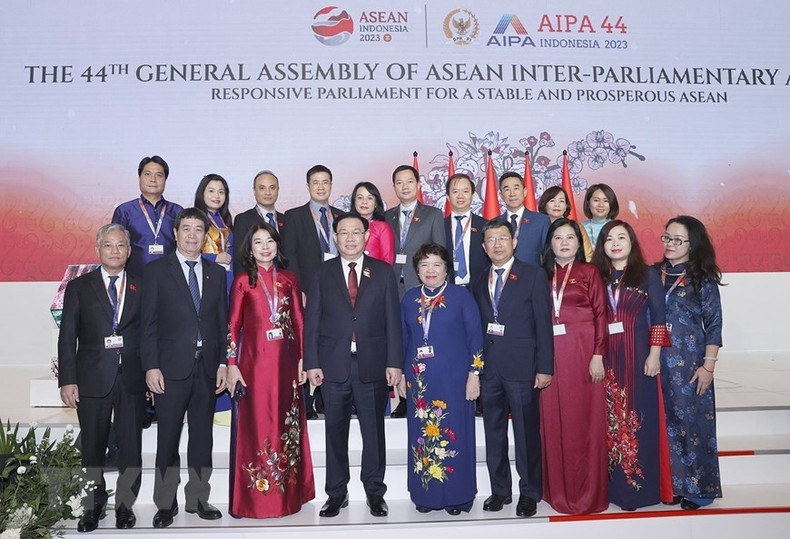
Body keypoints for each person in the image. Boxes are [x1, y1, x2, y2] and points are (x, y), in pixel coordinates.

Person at [304, 214, 403, 518]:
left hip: (372, 364)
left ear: (365, 236)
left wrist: (394, 363)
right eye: (343, 233)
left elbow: (392, 321)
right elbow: (313, 321)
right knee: (335, 431)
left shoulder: (383, 272)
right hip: (333, 365)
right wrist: (311, 363)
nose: (349, 238)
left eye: (356, 233)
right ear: (335, 237)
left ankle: (374, 491)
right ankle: (336, 493)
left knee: (373, 432)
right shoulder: (322, 272)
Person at [141, 208, 229, 528]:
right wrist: (151, 366)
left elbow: (220, 324)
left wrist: (222, 362)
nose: (192, 235)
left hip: (206, 367)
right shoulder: (156, 272)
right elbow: (147, 325)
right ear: (175, 233)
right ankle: (165, 503)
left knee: (202, 438)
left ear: (205, 236)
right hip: (168, 370)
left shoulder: (215, 274)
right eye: (186, 228)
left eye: (198, 230)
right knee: (167, 439)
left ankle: (198, 498)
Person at [58, 224, 145, 531]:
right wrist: (67, 380)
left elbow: (149, 334)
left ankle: (125, 507)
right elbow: (67, 338)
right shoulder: (79, 287)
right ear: (98, 249)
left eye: (121, 246)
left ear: (129, 251)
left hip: (131, 378)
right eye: (109, 245)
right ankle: (92, 508)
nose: (115, 251)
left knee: (131, 448)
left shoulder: (140, 285)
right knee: (92, 448)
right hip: (92, 378)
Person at [225, 223, 315, 518]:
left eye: (269, 241)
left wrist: (304, 358)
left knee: (285, 425)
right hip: (253, 366)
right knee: (257, 426)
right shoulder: (242, 282)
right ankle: (255, 499)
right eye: (258, 242)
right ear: (249, 249)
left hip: (287, 366)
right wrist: (232, 365)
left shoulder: (290, 279)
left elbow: (300, 322)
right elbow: (232, 326)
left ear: (278, 245)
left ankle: (287, 498)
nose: (265, 247)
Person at [471, 219, 554, 518]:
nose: (497, 245)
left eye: (502, 238)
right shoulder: (479, 280)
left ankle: (529, 492)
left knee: (525, 433)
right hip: (489, 369)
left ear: (514, 241)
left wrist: (544, 367)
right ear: (483, 246)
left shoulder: (533, 275)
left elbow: (544, 325)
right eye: (491, 240)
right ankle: (500, 491)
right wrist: (475, 369)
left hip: (523, 368)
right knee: (493, 433)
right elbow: (476, 328)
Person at [592, 219, 672, 511]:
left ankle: (638, 490)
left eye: (621, 237)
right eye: (609, 238)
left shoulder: (647, 275)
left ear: (631, 242)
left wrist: (654, 355)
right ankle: (612, 488)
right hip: (605, 358)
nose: (615, 243)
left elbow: (660, 320)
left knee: (639, 417)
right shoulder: (596, 276)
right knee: (608, 420)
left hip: (639, 358)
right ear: (602, 246)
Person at [397, 243, 483, 514]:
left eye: (436, 264)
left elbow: (476, 339)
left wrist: (475, 375)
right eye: (424, 265)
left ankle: (457, 496)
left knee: (454, 433)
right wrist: (400, 374)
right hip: (420, 382)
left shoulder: (461, 296)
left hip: (455, 381)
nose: (430, 270)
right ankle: (426, 495)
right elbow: (404, 339)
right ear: (417, 270)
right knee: (422, 434)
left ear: (447, 268)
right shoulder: (410, 299)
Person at [539, 218, 608, 515]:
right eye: (558, 237)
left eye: (570, 237)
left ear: (580, 243)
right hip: (550, 356)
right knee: (552, 421)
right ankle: (556, 490)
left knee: (583, 421)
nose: (564, 242)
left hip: (583, 354)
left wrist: (598, 354)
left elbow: (601, 315)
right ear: (550, 243)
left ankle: (588, 492)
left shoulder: (589, 272)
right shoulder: (540, 275)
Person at [658, 216, 724, 510]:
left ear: (692, 244)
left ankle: (699, 488)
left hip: (690, 366)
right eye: (667, 238)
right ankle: (670, 486)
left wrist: (708, 366)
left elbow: (714, 324)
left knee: (691, 425)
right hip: (655, 362)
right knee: (663, 424)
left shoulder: (702, 278)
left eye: (677, 240)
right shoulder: (652, 274)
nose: (670, 245)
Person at [282, 164, 345, 419]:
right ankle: (306, 400)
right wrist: (299, 290)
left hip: (338, 290)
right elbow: (290, 256)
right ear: (308, 186)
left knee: (332, 339)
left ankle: (326, 395)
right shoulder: (294, 216)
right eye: (316, 182)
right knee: (308, 339)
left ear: (331, 185)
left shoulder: (341, 216)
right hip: (308, 290)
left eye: (325, 182)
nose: (321, 187)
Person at [384, 164, 445, 417]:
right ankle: (403, 398)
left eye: (409, 181)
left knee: (422, 340)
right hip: (391, 290)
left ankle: (426, 396)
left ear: (418, 184)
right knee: (399, 343)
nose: (404, 186)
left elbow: (440, 253)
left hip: (422, 290)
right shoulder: (386, 217)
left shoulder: (432, 214)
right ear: (394, 186)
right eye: (399, 182)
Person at [112, 156, 184, 278]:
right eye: (147, 174)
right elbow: (116, 247)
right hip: (134, 279)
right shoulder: (125, 211)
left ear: (165, 180)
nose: (153, 179)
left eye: (159, 175)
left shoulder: (177, 211)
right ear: (139, 178)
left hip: (171, 280)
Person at [233, 170, 285, 276]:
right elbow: (239, 258)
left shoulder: (286, 219)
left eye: (272, 188)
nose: (268, 193)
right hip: (255, 281)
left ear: (278, 190)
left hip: (283, 280)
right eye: (262, 188)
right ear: (254, 191)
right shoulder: (243, 220)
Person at [444, 173, 488, 287]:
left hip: (479, 287)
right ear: (448, 197)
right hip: (448, 287)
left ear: (472, 195)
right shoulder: (440, 225)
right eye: (455, 192)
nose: (460, 196)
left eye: (465, 191)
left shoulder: (485, 225)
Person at [498, 172, 550, 266]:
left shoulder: (541, 221)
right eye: (507, 190)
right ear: (501, 195)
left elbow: (548, 256)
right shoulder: (495, 224)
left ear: (525, 192)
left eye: (516, 188)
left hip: (532, 278)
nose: (512, 194)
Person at [194, 173, 234, 291]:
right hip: (205, 275)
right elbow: (186, 252)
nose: (216, 196)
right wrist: (214, 258)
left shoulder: (226, 219)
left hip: (228, 276)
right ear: (202, 193)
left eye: (221, 192)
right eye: (211, 191)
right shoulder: (194, 219)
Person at [537, 185, 594, 260]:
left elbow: (588, 255)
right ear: (544, 205)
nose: (557, 205)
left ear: (566, 206)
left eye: (561, 201)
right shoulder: (537, 227)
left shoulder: (576, 227)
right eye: (552, 201)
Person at [350, 181, 395, 264]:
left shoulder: (382, 227)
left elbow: (388, 260)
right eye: (360, 198)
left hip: (375, 275)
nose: (364, 202)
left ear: (375, 204)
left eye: (369, 198)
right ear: (354, 201)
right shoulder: (347, 226)